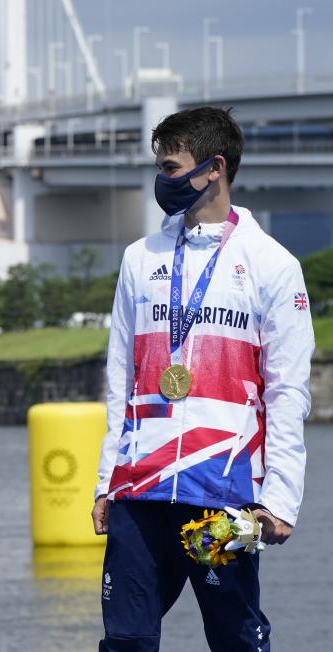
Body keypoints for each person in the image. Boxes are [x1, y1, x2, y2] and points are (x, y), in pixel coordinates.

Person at [92, 107, 313, 651]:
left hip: (223, 494)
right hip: (139, 490)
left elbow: (288, 391)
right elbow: (118, 380)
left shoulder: (272, 264)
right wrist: (106, 480)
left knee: (235, 638)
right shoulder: (138, 259)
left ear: (214, 168)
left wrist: (280, 498)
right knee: (125, 641)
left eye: (171, 167)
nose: (161, 180)